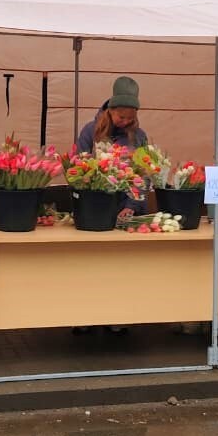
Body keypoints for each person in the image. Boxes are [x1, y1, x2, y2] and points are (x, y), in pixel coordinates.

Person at [74, 76, 150, 336]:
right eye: (121, 116)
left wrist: (132, 205)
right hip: (94, 213)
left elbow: (144, 175)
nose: (125, 121)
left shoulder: (139, 137)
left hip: (125, 214)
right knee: (91, 267)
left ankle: (117, 316)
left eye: (131, 117)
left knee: (121, 268)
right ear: (110, 110)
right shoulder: (90, 132)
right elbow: (78, 169)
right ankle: (84, 316)